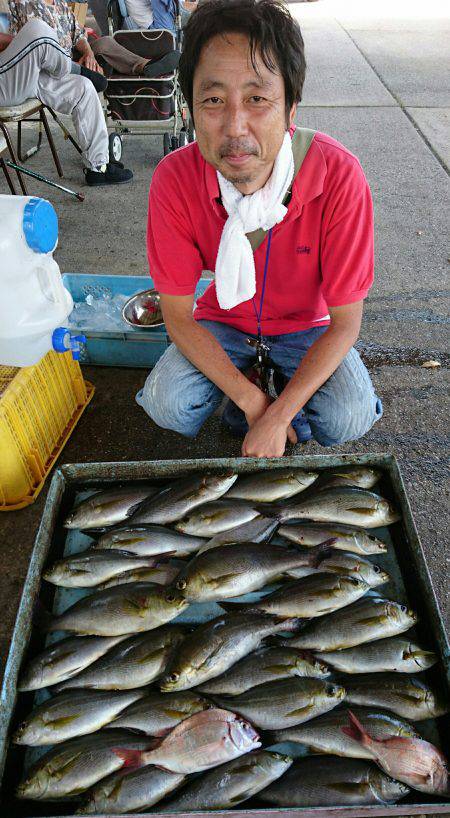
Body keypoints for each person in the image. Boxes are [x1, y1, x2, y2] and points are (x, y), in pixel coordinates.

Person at [136, 0, 383, 458]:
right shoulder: (174, 178)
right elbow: (177, 315)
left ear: (290, 108)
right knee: (167, 403)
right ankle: (251, 382)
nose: (235, 127)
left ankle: (284, 386)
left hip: (308, 326)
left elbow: (347, 324)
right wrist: (255, 406)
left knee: (348, 414)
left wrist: (280, 415)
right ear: (189, 107)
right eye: (213, 99)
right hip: (223, 320)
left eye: (257, 98)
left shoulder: (340, 176)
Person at [0, 18, 133, 184]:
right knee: (37, 30)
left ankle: (99, 167)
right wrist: (21, 43)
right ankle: (72, 68)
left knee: (83, 87)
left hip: (20, 74)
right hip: (5, 81)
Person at [8, 0, 169, 77]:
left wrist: (89, 53)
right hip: (44, 62)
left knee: (105, 42)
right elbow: (42, 45)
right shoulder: (25, 2)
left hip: (70, 54)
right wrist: (73, 64)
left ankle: (144, 66)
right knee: (97, 72)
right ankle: (88, 70)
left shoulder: (60, 3)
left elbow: (77, 33)